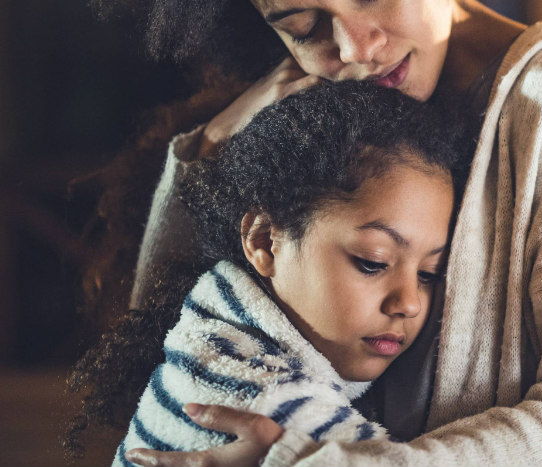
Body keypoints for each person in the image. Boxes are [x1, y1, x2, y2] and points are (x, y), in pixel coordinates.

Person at [70, 1, 542, 466]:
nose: (356, 47)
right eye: (304, 24)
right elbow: (164, 349)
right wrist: (213, 146)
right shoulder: (317, 104)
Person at [113, 80, 467, 466]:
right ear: (265, 241)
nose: (410, 304)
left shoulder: (214, 337)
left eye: (429, 273)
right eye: (373, 262)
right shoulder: (269, 404)